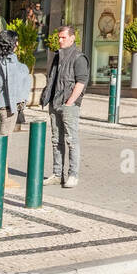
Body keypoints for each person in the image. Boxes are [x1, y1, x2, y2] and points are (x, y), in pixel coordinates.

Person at [40, 25, 89, 189]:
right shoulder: (57, 56)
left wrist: (70, 102)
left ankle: (73, 175)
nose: (60, 40)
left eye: (63, 37)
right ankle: (57, 173)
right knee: (56, 140)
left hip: (69, 105)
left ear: (72, 38)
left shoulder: (79, 58)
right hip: (55, 102)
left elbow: (81, 82)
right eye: (59, 37)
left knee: (71, 140)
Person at [0, 30, 31, 190]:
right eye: (16, 41)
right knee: (4, 141)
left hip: (1, 105)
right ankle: (2, 177)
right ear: (11, 44)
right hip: (7, 107)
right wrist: (17, 105)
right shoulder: (11, 62)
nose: (17, 44)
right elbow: (12, 86)